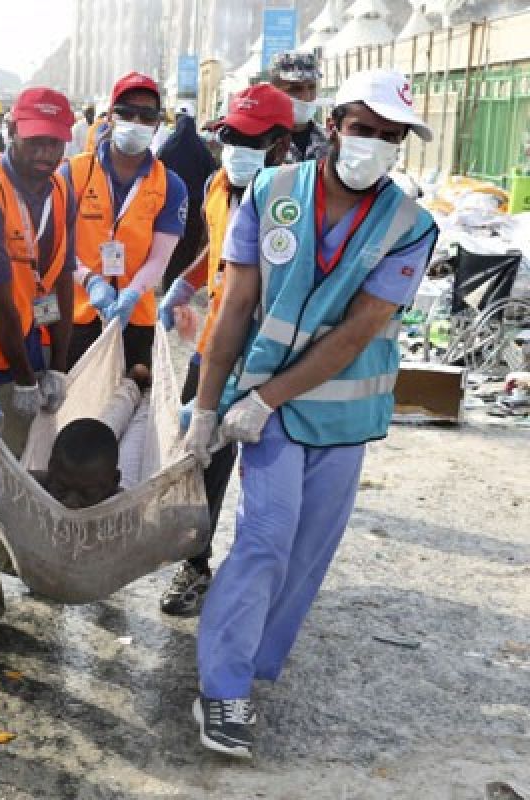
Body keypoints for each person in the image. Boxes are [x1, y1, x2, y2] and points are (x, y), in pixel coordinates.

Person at [184, 69, 438, 759]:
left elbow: (359, 332)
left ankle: (252, 664)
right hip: (265, 416)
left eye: (390, 138)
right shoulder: (272, 192)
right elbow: (234, 305)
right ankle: (223, 686)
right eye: (364, 130)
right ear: (332, 127)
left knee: (303, 556)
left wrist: (266, 396)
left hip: (340, 417)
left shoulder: (412, 226)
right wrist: (208, 408)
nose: (375, 146)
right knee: (265, 537)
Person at [156, 83, 294, 618]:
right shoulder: (219, 184)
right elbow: (220, 245)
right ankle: (194, 565)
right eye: (231, 136)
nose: (236, 148)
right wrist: (186, 282)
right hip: (215, 343)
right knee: (201, 453)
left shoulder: (297, 202)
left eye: (251, 140)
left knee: (269, 475)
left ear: (281, 145)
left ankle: (266, 583)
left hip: (272, 355)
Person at [0, 86, 76, 639]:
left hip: (28, 354)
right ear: (12, 132)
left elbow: (55, 282)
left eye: (56, 142)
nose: (46, 153)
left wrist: (58, 361)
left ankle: (13, 564)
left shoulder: (58, 192)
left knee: (21, 481)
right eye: (35, 140)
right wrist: (27, 378)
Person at [61, 71, 188, 372]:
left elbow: (160, 258)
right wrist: (90, 281)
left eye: (146, 116)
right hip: (78, 314)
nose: (136, 122)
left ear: (158, 123)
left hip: (137, 317)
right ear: (110, 116)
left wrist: (133, 291)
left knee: (131, 405)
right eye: (127, 113)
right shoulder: (74, 174)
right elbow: (58, 244)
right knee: (73, 409)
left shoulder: (170, 185)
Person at [158, 105, 218, 290]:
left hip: (170, 206)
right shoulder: (202, 149)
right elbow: (211, 175)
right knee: (187, 247)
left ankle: (169, 283)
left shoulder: (167, 147)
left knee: (170, 246)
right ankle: (181, 283)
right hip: (194, 207)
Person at [33, 418, 121, 509]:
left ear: (114, 481)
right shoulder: (25, 491)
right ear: (50, 468)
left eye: (87, 494)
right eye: (60, 489)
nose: (70, 503)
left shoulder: (127, 517)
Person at [270, 50, 328, 164]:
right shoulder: (263, 143)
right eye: (295, 89)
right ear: (274, 91)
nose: (306, 97)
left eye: (311, 87)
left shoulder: (330, 140)